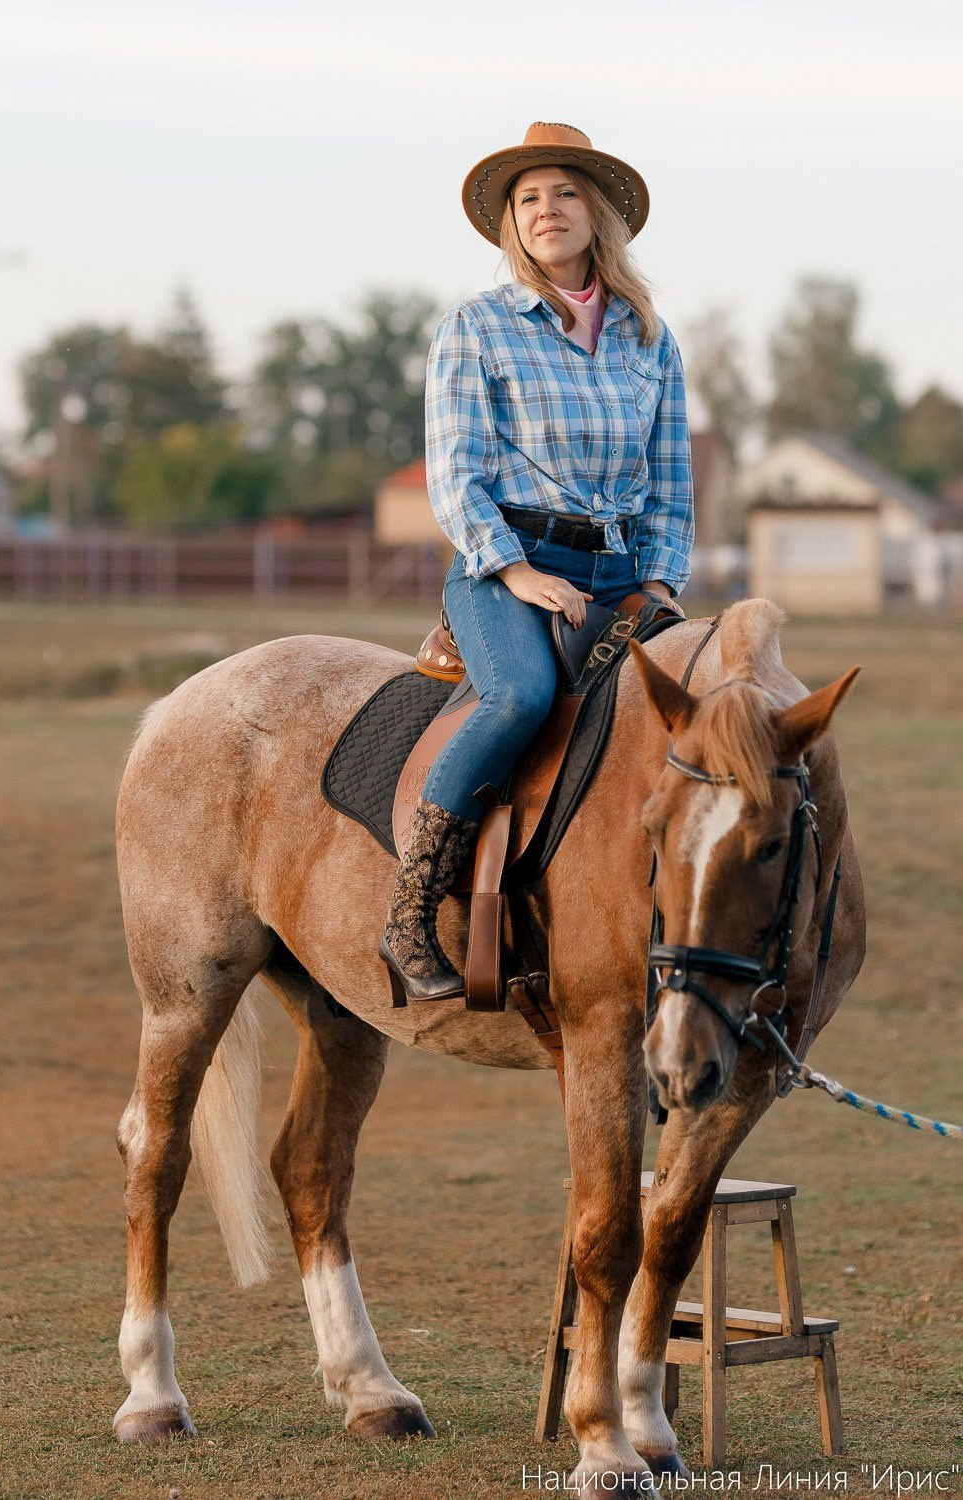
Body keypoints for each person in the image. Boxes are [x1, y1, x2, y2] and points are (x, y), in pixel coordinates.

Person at [379, 121, 694, 1004]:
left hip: (625, 572)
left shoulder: (650, 339)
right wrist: (516, 572)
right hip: (503, 567)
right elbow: (455, 474)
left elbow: (670, 484)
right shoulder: (476, 327)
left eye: (563, 193)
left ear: (597, 216)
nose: (547, 210)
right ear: (513, 227)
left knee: (699, 711)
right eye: (528, 199)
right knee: (520, 694)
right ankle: (411, 910)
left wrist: (660, 587)